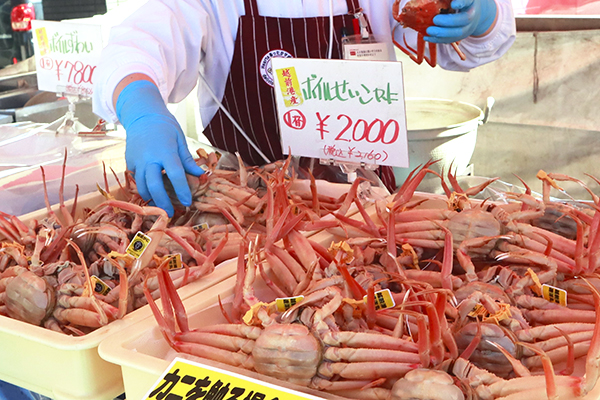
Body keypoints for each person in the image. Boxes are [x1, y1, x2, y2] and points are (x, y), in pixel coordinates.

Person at [93, 0, 516, 217]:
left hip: (370, 200)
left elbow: (461, 45)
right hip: (253, 205)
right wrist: (142, 110)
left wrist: (481, 16)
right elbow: (136, 45)